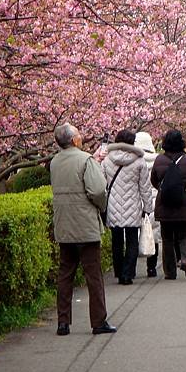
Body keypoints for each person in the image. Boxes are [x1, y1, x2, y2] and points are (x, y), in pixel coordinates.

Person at [50, 123, 116, 336]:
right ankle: (98, 321)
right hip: (85, 224)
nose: (81, 137)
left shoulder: (54, 162)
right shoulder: (85, 160)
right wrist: (101, 206)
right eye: (78, 134)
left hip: (64, 224)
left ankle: (63, 322)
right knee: (93, 275)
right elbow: (97, 190)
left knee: (65, 273)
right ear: (73, 140)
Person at [102, 129, 153, 284]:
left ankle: (118, 272)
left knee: (116, 241)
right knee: (132, 240)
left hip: (113, 206)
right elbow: (145, 187)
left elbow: (102, 185)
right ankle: (128, 273)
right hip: (133, 205)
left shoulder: (107, 160)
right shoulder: (139, 161)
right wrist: (148, 207)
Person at [151, 129, 186, 280]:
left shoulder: (159, 160)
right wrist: (184, 190)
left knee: (167, 238)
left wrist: (163, 189)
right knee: (184, 234)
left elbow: (154, 180)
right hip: (183, 204)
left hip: (164, 205)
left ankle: (170, 272)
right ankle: (185, 260)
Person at [135, 131, 160, 277]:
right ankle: (152, 268)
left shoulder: (134, 160)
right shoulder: (158, 159)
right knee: (154, 234)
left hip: (138, 200)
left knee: (137, 233)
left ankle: (132, 265)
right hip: (155, 199)